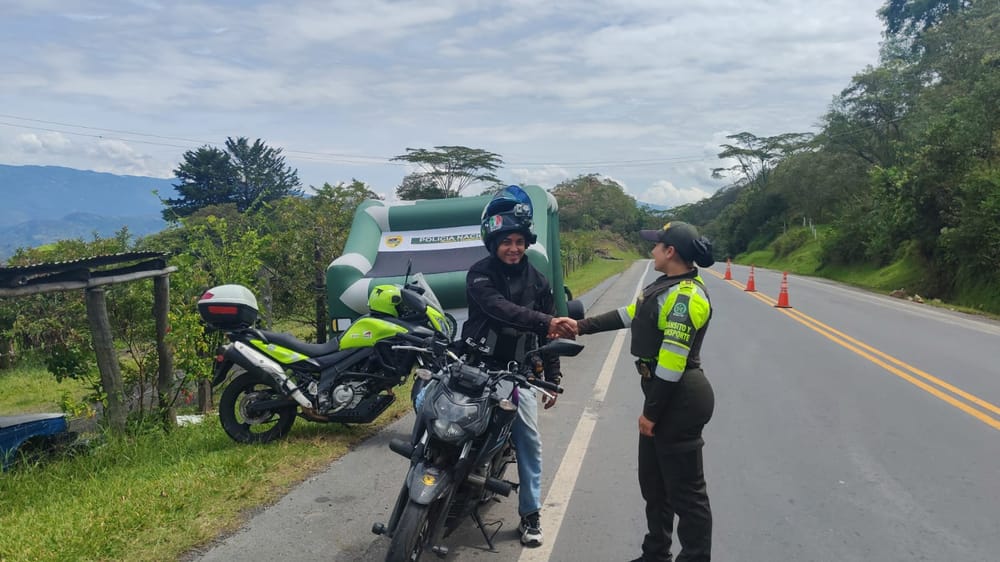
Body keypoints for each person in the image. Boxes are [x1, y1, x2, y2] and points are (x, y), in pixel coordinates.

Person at [568, 221, 716, 562]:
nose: (652, 249)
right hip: (662, 394)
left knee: (687, 493)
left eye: (657, 244)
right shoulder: (664, 286)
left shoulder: (686, 297)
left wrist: (651, 413)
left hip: (680, 399)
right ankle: (655, 554)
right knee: (654, 483)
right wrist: (581, 326)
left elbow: (672, 364)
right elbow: (630, 314)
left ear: (671, 252)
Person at [461, 185, 574, 548]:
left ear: (526, 243)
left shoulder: (539, 282)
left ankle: (530, 514)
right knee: (435, 415)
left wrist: (553, 377)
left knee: (528, 439)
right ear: (493, 242)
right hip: (476, 365)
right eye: (506, 241)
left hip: (517, 373)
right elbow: (497, 308)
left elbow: (550, 332)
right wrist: (545, 322)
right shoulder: (479, 274)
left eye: (519, 241)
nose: (513, 248)